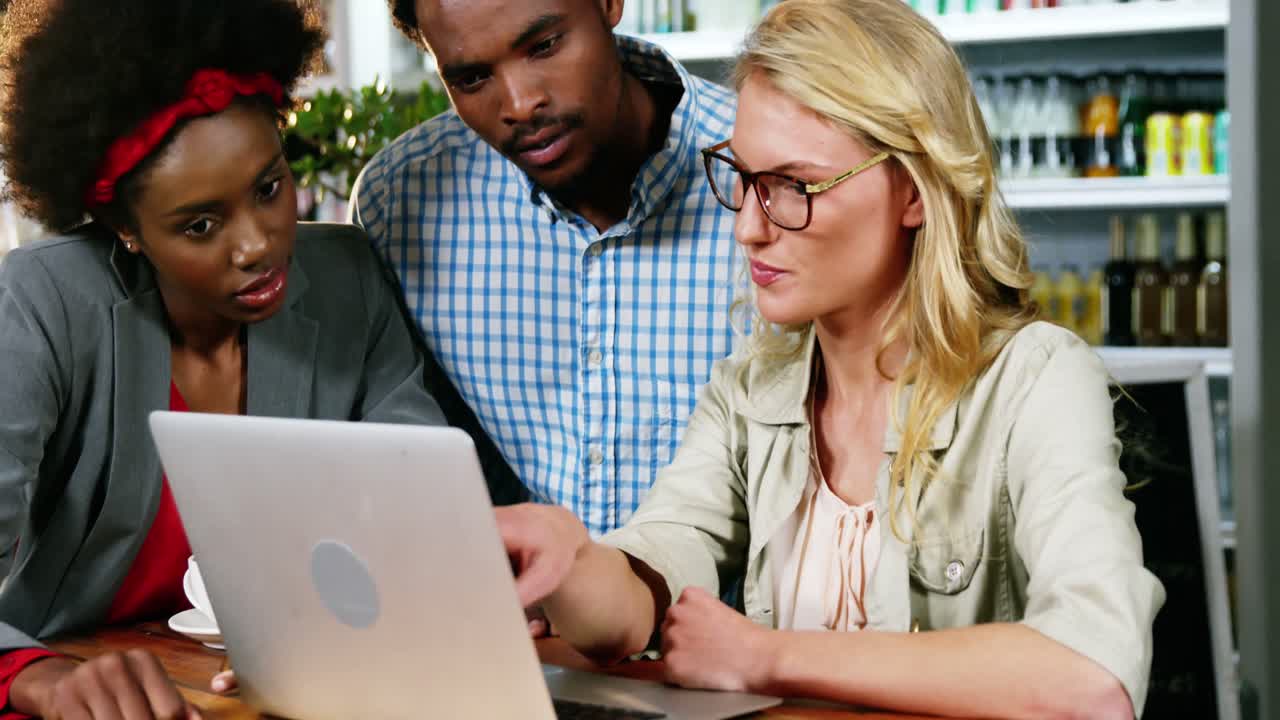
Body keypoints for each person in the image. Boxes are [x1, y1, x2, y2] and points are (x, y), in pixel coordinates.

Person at [495, 0, 1166, 717]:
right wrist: (567, 562)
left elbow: (1093, 680)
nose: (749, 228)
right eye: (745, 179)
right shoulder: (752, 387)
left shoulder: (1036, 379)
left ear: (912, 190)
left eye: (793, 187)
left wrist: (767, 656)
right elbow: (651, 571)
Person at [0, 0, 445, 717]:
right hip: (82, 691)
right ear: (127, 229)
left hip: (288, 687)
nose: (258, 245)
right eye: (200, 225)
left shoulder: (348, 280)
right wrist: (38, 678)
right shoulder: (45, 301)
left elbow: (424, 506)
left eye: (270, 188)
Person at [353, 0, 742, 535]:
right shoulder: (399, 205)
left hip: (734, 614)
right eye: (471, 77)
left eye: (543, 46)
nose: (519, 104)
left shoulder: (766, 172)